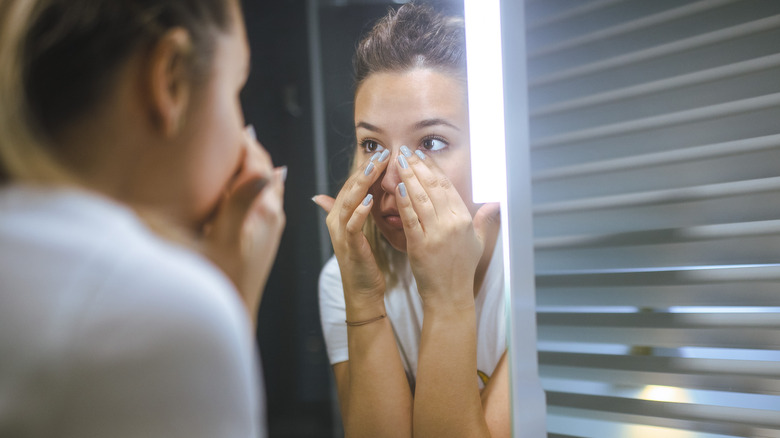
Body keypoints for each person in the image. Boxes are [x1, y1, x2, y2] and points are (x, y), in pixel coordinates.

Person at [0, 1, 284, 437]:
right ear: (171, 80)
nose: (246, 142)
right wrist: (229, 302)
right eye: (234, 90)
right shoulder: (163, 313)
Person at [313, 3, 509, 437]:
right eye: (371, 145)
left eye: (432, 142)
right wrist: (363, 300)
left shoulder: (536, 279)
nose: (390, 179)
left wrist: (447, 299)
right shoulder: (342, 280)